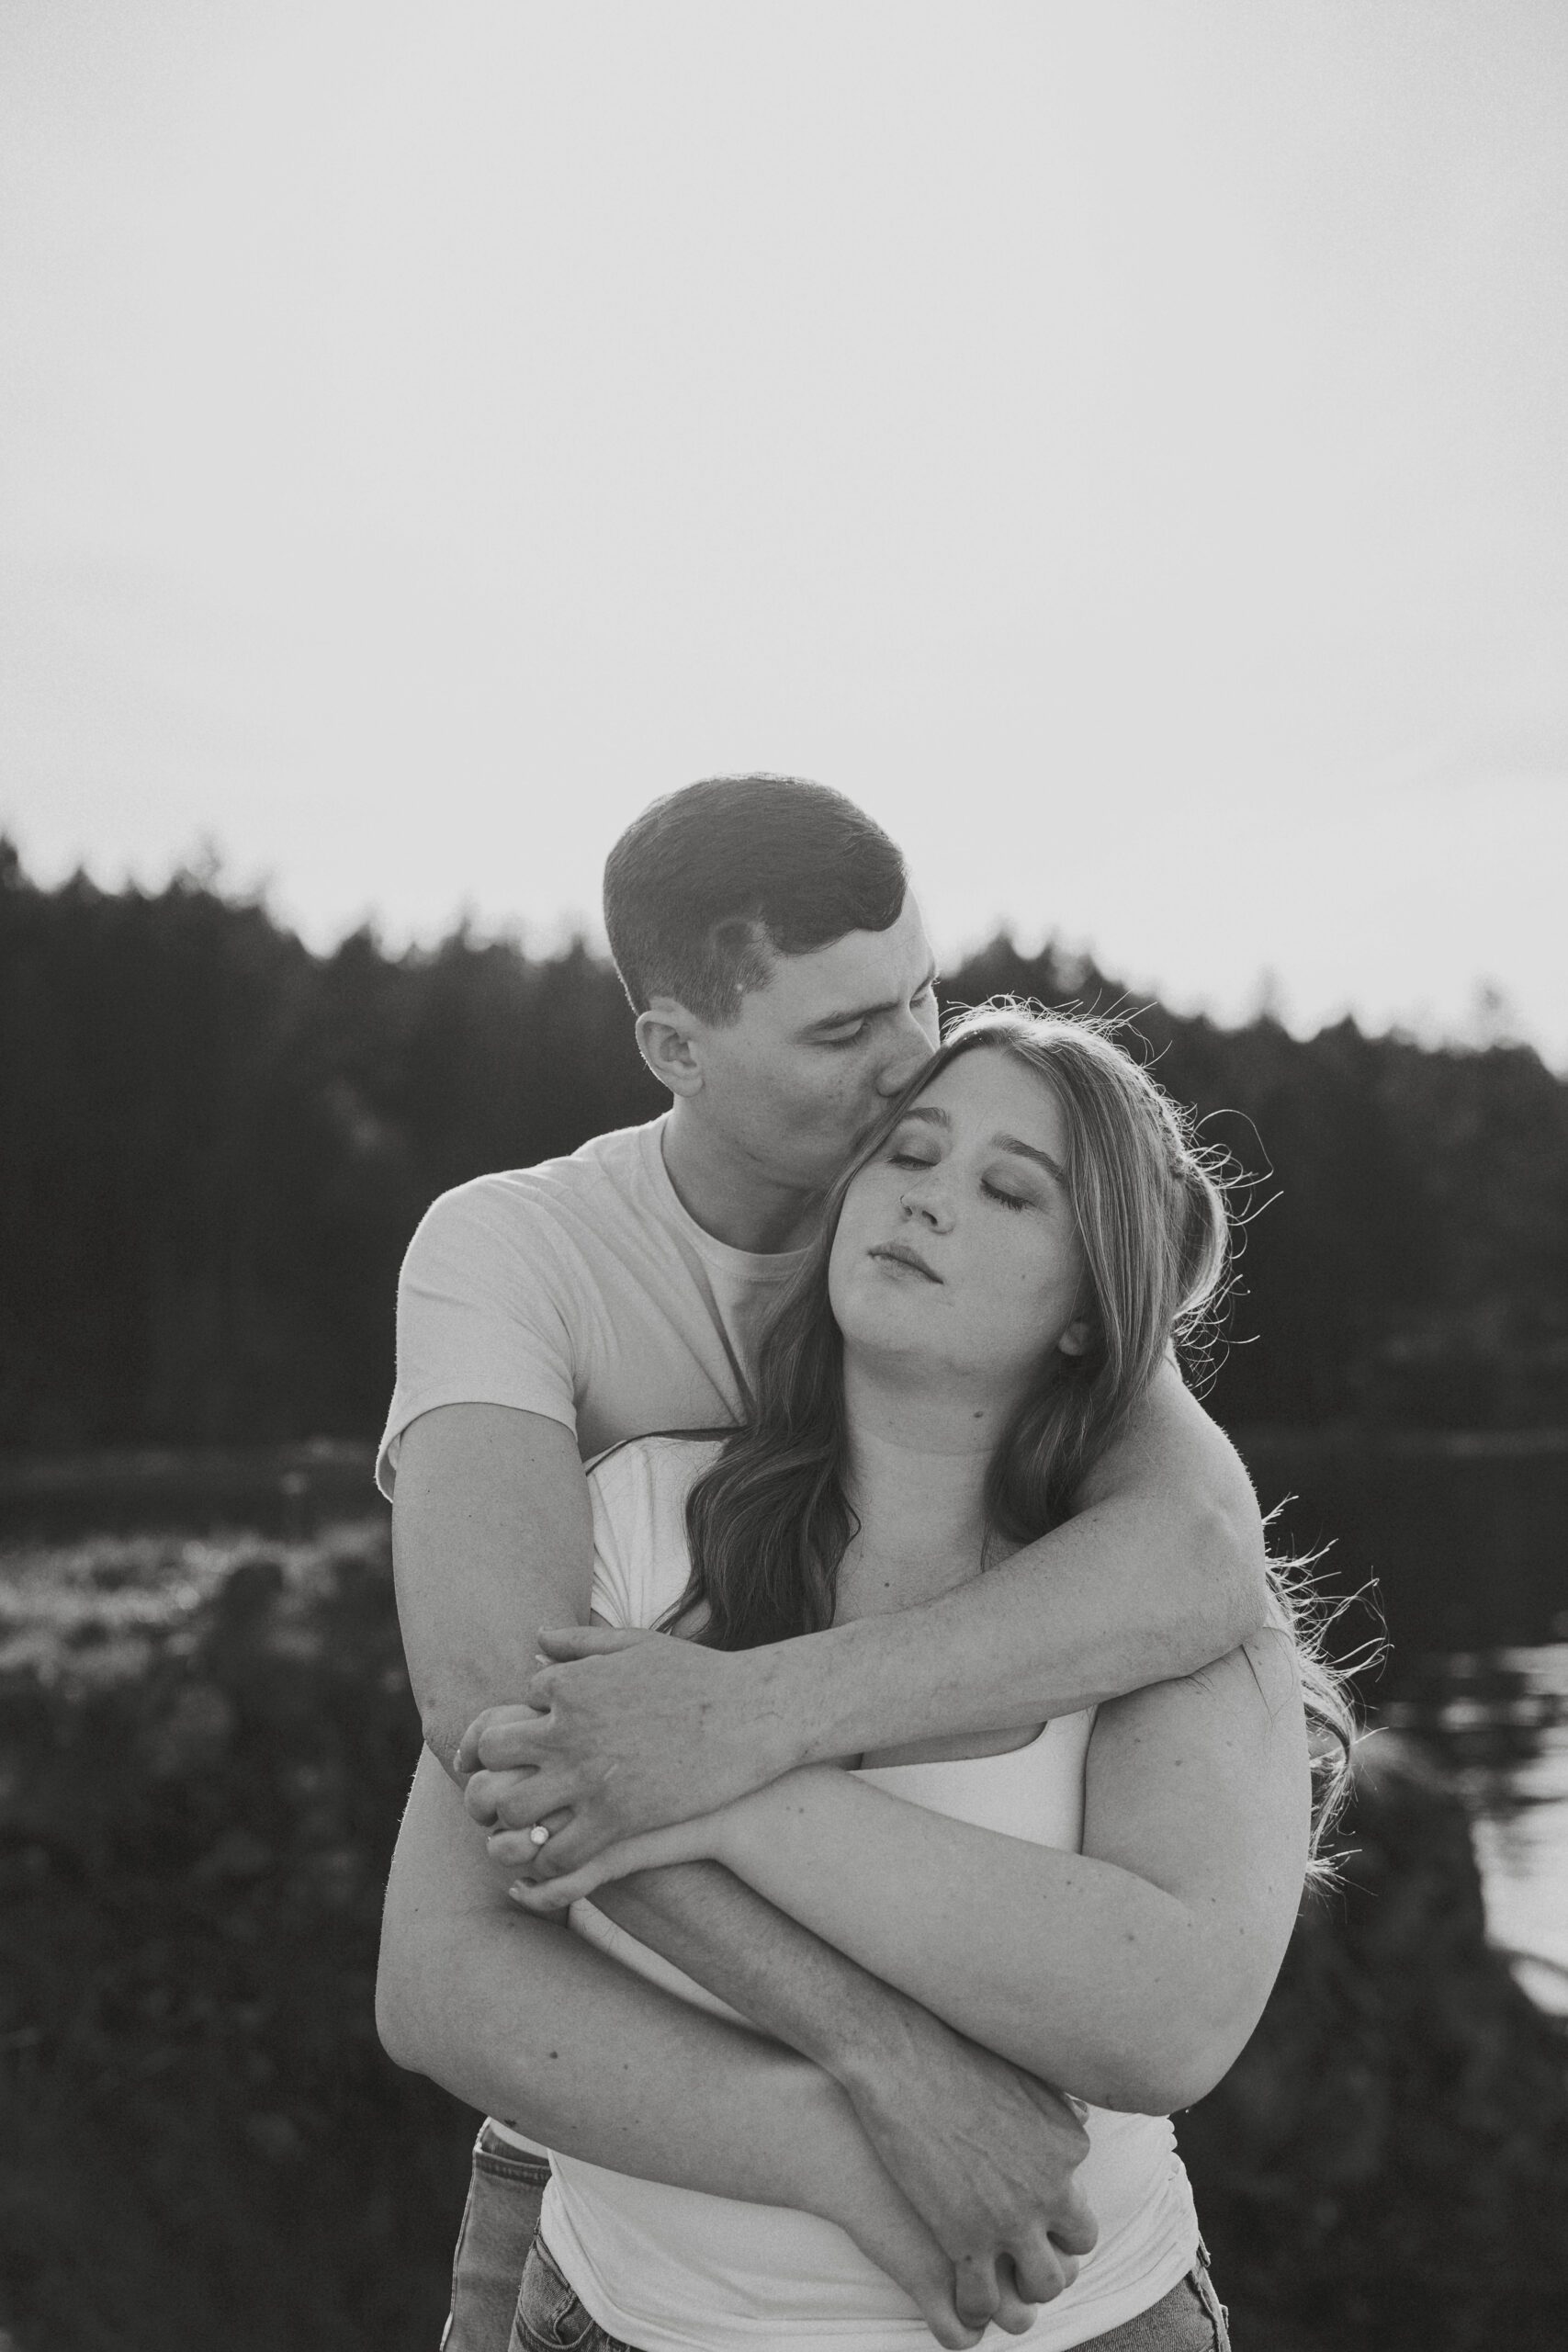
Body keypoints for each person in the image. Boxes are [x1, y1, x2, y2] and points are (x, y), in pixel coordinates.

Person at [377, 777, 1273, 2346]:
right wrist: (875, 2085)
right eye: (846, 1036)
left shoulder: (1086, 1450)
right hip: (634, 2195)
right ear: (676, 1048)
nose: (911, 1065)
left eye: (920, 995)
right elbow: (501, 1736)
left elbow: (1202, 1554)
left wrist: (735, 1728)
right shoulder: (532, 1278)